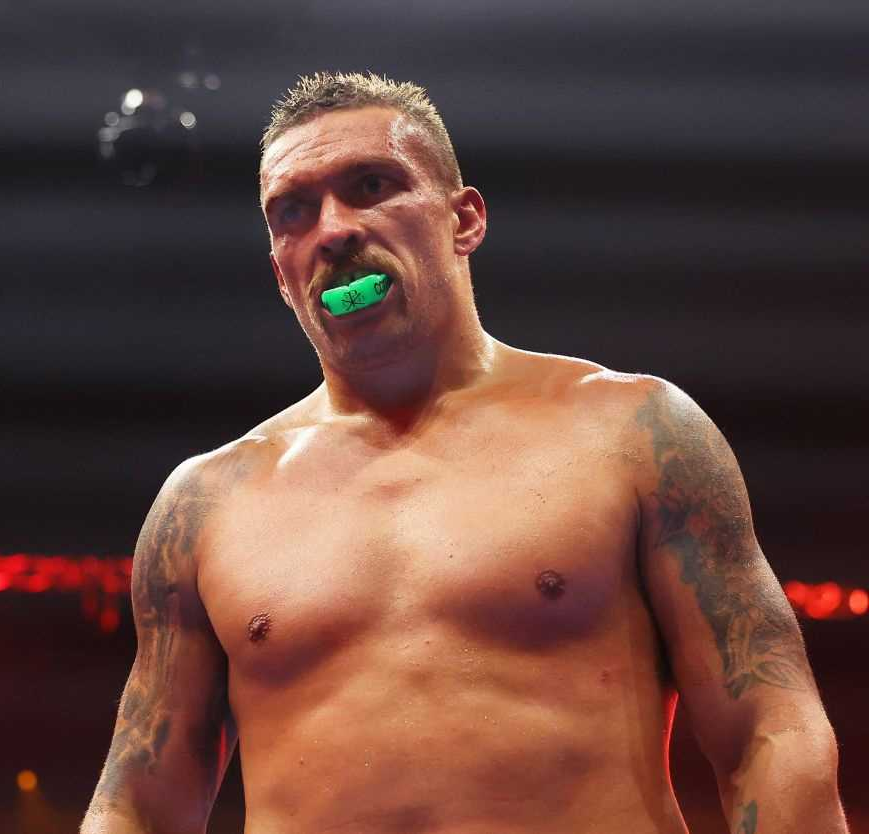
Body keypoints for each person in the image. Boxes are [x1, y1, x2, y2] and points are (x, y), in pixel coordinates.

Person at [80, 72, 847, 833]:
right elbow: (138, 806)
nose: (334, 230)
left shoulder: (633, 430)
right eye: (294, 212)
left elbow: (769, 730)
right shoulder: (208, 502)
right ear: (282, 272)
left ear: (464, 219)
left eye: (370, 186)